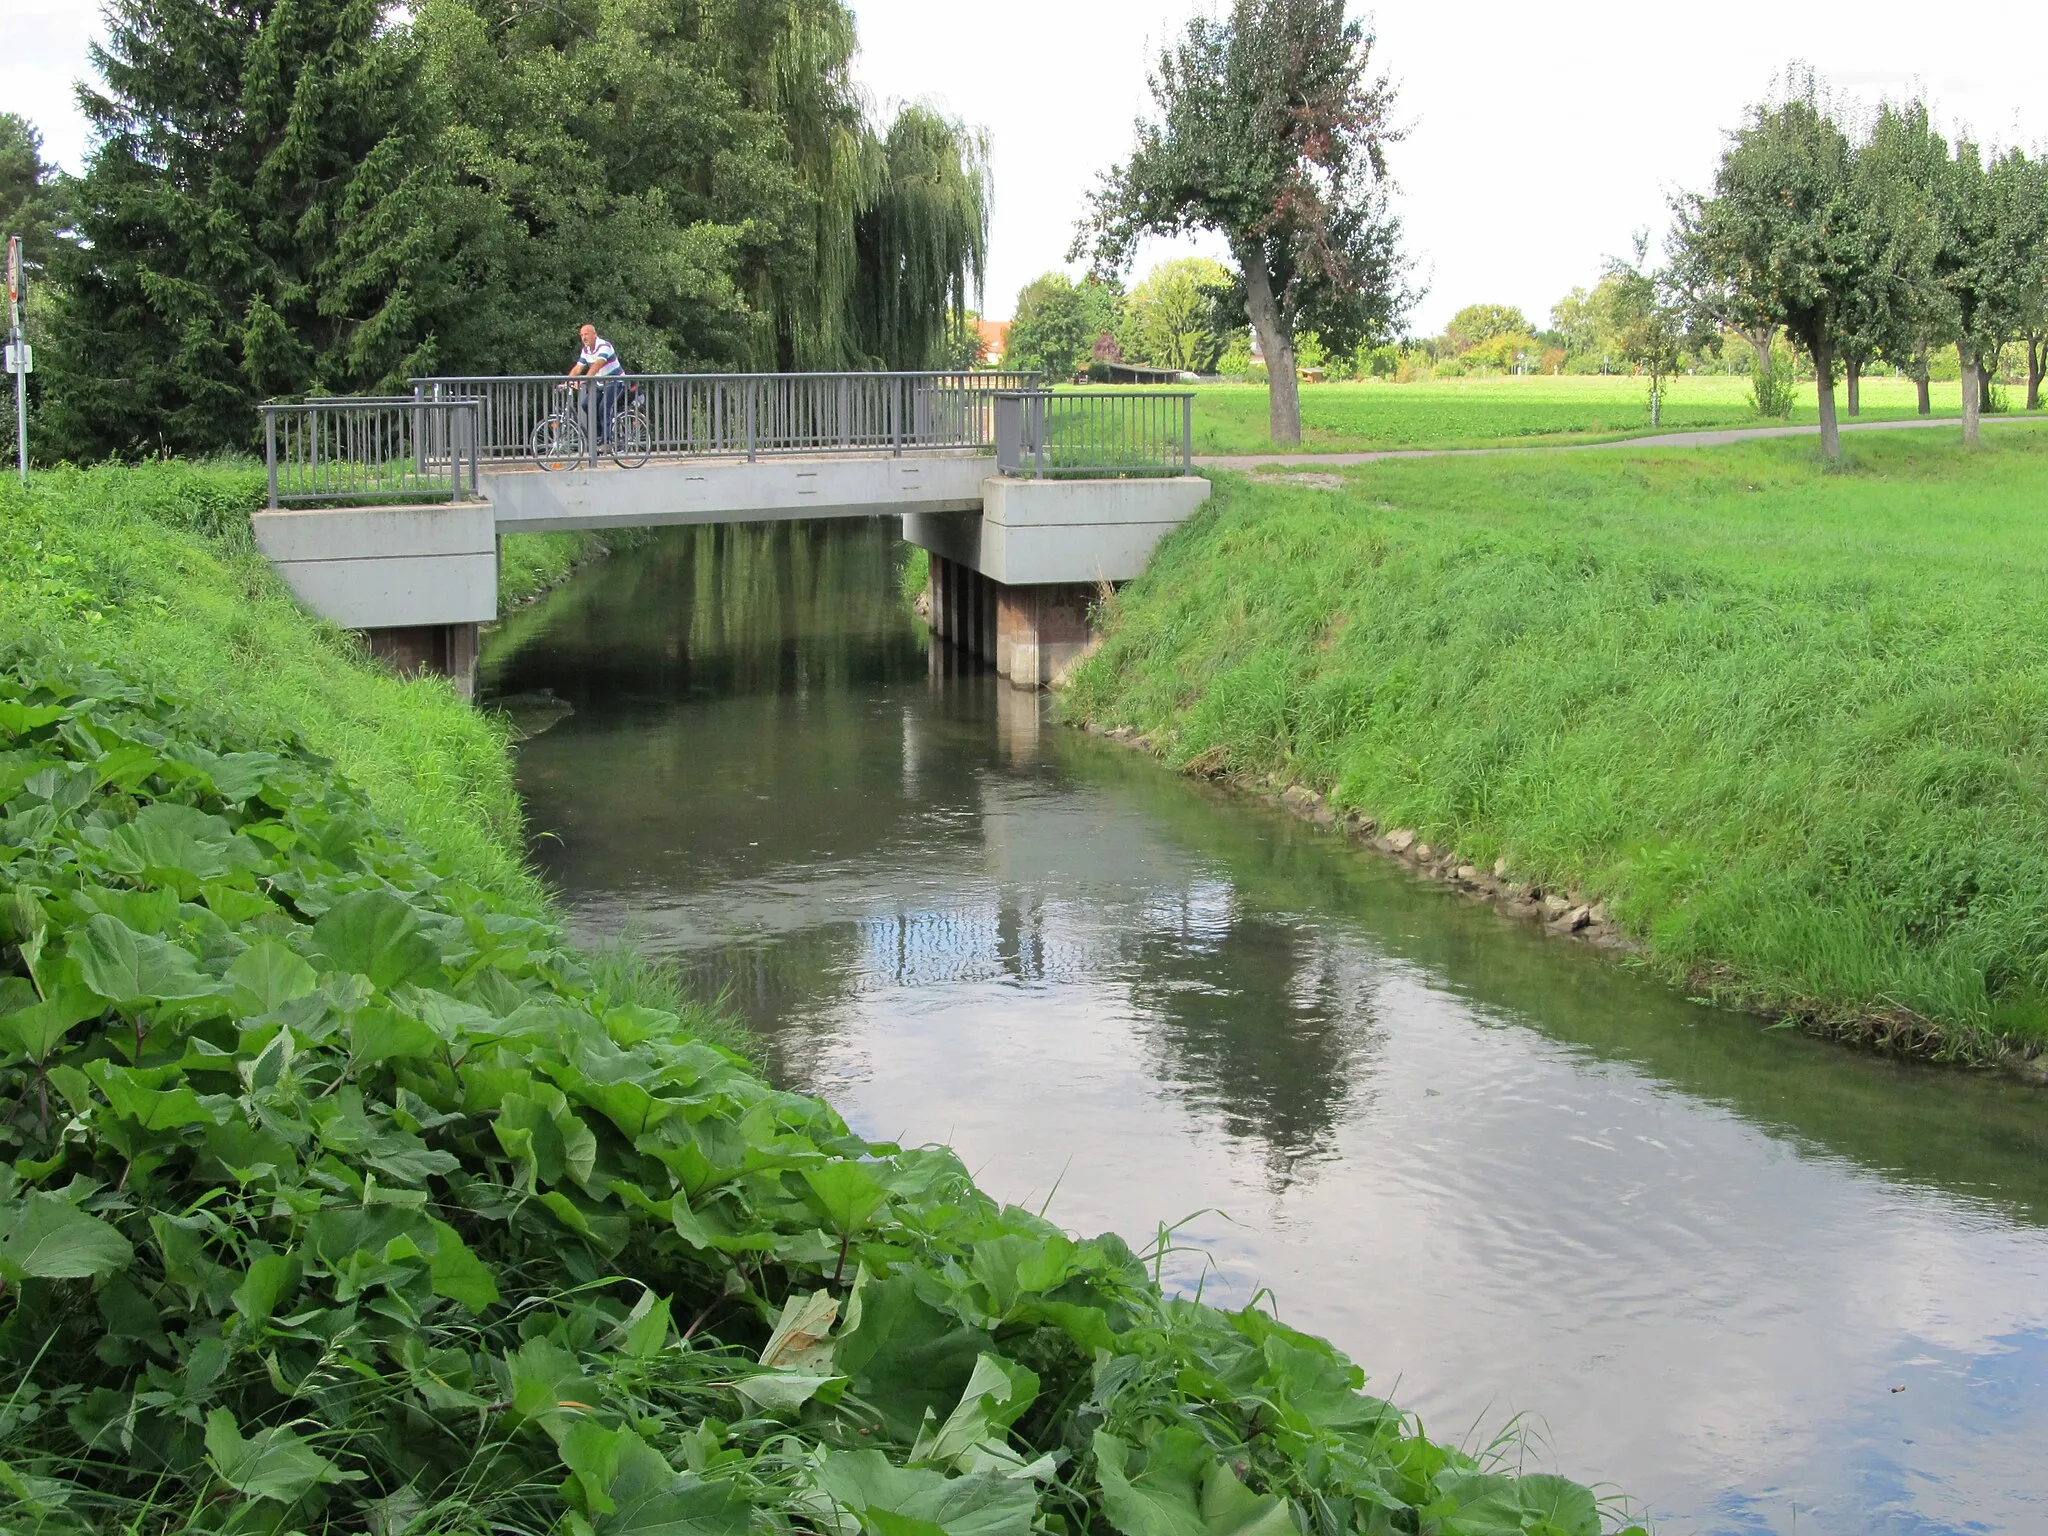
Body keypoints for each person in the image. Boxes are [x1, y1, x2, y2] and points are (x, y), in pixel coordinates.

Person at [566, 323, 626, 441]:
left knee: (603, 408)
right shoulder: (586, 350)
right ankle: (599, 436)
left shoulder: (604, 346)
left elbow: (598, 364)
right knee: (586, 405)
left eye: (586, 334)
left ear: (594, 334)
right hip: (600, 384)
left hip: (614, 381)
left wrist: (584, 380)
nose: (584, 337)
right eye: (582, 335)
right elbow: (578, 368)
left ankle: (606, 441)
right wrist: (567, 382)